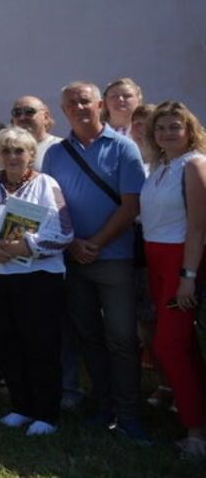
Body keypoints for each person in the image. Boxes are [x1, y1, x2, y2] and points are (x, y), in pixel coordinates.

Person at [42, 81, 148, 441]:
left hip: (114, 257)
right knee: (88, 336)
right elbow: (50, 207)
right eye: (70, 103)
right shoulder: (55, 154)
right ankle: (104, 407)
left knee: (121, 337)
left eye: (84, 101)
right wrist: (73, 244)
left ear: (99, 104)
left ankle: (130, 413)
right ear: (63, 110)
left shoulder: (123, 148)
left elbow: (130, 206)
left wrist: (95, 243)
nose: (78, 107)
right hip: (73, 259)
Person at [0, 127, 73, 436]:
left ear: (31, 155)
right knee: (5, 342)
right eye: (6, 151)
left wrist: (27, 247)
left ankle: (46, 413)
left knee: (40, 344)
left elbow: (63, 232)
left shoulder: (47, 184)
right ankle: (20, 406)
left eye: (19, 151)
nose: (12, 157)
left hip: (37, 278)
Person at [140, 101, 206, 457]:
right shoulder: (161, 165)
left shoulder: (194, 165)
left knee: (169, 345)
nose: (167, 133)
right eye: (161, 127)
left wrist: (188, 277)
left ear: (189, 130)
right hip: (155, 260)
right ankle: (197, 417)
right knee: (182, 345)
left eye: (175, 127)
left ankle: (196, 435)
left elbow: (197, 227)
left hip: (180, 261)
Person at [10, 96, 61, 164]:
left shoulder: (60, 148)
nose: (22, 117)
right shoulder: (4, 149)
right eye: (17, 113)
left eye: (29, 112)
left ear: (45, 116)